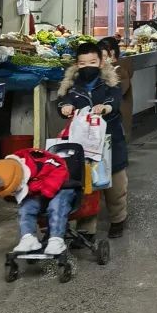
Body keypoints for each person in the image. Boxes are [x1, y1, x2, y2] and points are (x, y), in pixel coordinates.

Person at [57, 41, 128, 237]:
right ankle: (85, 229)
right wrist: (65, 108)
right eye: (82, 63)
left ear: (100, 62)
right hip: (83, 144)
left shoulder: (110, 82)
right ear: (76, 64)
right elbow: (63, 100)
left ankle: (118, 219)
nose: (87, 66)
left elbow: (114, 99)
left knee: (115, 184)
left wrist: (105, 108)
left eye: (92, 62)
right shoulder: (71, 85)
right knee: (87, 185)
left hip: (110, 140)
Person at [0, 148, 74, 256]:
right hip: (37, 192)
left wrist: (47, 191)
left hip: (60, 188)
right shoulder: (8, 169)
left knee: (56, 206)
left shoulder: (41, 162)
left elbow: (61, 169)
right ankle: (29, 238)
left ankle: (56, 240)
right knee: (25, 209)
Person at [98, 35, 134, 141]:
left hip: (117, 115)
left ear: (112, 53)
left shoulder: (119, 70)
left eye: (102, 54)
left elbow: (120, 90)